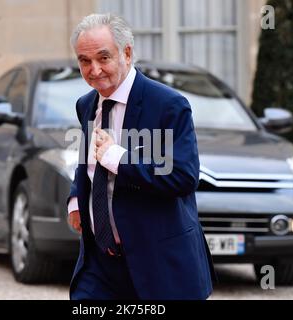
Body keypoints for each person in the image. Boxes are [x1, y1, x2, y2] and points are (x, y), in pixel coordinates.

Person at [67, 13, 215, 300]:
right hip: (99, 266)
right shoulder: (86, 104)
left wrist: (118, 158)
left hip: (158, 267)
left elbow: (183, 177)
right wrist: (77, 197)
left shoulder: (168, 105)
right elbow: (88, 161)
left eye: (103, 58)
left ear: (127, 52)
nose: (94, 70)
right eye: (85, 61)